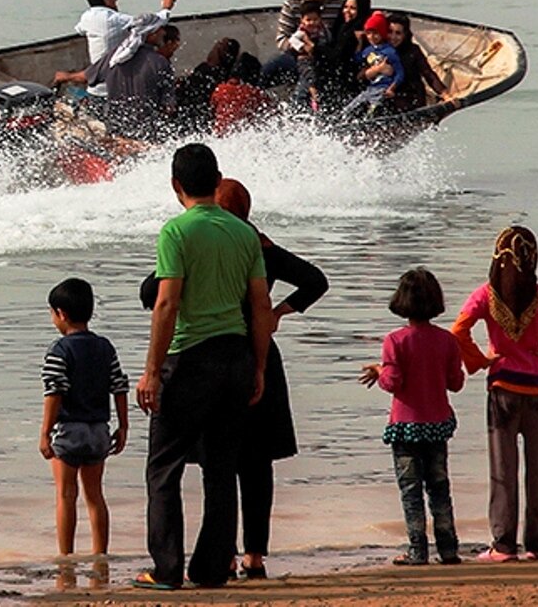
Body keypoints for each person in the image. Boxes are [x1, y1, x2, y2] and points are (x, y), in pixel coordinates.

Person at [139, 178, 328, 579]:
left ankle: (217, 556)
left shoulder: (200, 240)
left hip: (210, 356)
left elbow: (150, 293)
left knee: (214, 461)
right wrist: (277, 313)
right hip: (257, 360)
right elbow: (315, 280)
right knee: (254, 463)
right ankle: (253, 556)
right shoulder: (259, 245)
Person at [132, 144, 272, 590]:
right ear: (217, 181)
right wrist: (260, 367)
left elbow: (167, 302)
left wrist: (152, 369)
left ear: (176, 186)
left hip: (190, 357)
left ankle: (167, 568)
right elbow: (261, 305)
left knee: (164, 468)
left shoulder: (176, 232)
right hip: (235, 357)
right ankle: (213, 568)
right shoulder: (244, 234)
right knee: (221, 468)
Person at [450, 226, 538, 562]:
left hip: (502, 388)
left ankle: (504, 545)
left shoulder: (485, 295)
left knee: (503, 469)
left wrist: (480, 360)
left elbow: (458, 331)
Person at [359, 268, 464, 566]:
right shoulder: (447, 341)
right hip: (437, 425)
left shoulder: (395, 341)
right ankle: (448, 548)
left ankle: (418, 550)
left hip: (405, 427)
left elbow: (392, 382)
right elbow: (455, 382)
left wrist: (379, 370)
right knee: (440, 488)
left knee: (411, 491)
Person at [39, 278, 129, 556]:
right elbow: (119, 385)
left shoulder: (60, 349)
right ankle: (99, 554)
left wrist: (44, 432)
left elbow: (55, 392)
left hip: (68, 428)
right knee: (95, 496)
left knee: (66, 496)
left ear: (61, 313)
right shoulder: (105, 347)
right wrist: (123, 425)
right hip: (98, 429)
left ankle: (66, 556)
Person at [71, 0, 176, 98]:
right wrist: (166, 8)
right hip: (112, 87)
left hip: (94, 87)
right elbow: (147, 24)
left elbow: (79, 29)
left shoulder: (86, 18)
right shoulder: (114, 19)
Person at [84, 13, 177, 141]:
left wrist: (65, 77)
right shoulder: (160, 63)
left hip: (118, 133)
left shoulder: (116, 56)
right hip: (148, 135)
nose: (163, 32)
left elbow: (90, 77)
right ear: (152, 34)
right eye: (160, 29)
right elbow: (169, 107)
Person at [261, 0, 343, 86]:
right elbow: (282, 39)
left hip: (325, 56)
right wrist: (301, 48)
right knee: (267, 70)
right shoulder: (293, 4)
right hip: (296, 54)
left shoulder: (338, 6)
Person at [339, 11, 404, 119]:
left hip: (383, 88)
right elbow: (357, 59)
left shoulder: (390, 51)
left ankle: (368, 123)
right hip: (371, 88)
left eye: (376, 33)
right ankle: (341, 121)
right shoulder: (368, 50)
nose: (372, 37)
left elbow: (400, 73)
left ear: (382, 33)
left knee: (372, 110)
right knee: (350, 108)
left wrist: (391, 88)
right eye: (368, 33)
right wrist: (359, 42)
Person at [387, 13, 453, 112]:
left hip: (411, 97)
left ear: (405, 34)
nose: (393, 37)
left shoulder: (413, 50)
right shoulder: (379, 50)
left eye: (398, 33)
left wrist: (445, 95)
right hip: (387, 96)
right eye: (390, 32)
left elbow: (428, 74)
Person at [175, 37, 241, 134]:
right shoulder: (225, 74)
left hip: (192, 114)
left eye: (219, 44)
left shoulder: (206, 70)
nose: (214, 46)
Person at [325, 0, 372, 104]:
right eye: (345, 7)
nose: (347, 11)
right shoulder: (342, 26)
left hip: (350, 78)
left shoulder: (358, 31)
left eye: (353, 8)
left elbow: (338, 55)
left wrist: (314, 48)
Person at [209, 55, 274, 135]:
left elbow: (212, 109)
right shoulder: (255, 93)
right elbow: (271, 113)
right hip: (245, 134)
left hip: (221, 134)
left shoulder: (221, 89)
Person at [287, 1, 331, 111]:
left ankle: (313, 100)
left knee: (315, 76)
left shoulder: (323, 30)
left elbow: (328, 39)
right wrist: (303, 47)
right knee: (310, 77)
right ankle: (314, 96)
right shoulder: (302, 32)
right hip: (304, 59)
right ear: (302, 20)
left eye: (315, 19)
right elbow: (292, 40)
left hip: (318, 60)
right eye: (308, 20)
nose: (312, 23)